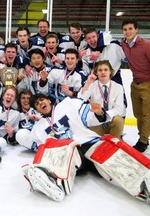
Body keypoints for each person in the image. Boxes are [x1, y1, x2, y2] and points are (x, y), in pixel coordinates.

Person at [22, 93, 150, 204]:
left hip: (88, 143)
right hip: (71, 156)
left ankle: (144, 184)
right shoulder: (39, 128)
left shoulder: (68, 104)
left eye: (41, 100)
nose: (40, 103)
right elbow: (39, 146)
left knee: (113, 163)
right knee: (66, 150)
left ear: (49, 100)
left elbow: (89, 118)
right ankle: (54, 182)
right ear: (37, 110)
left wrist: (99, 113)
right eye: (37, 104)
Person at [121, 19, 150, 152]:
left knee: (146, 115)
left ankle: (143, 141)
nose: (128, 32)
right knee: (138, 114)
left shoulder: (146, 45)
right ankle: (143, 137)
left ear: (136, 29)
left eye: (130, 29)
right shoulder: (124, 44)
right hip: (135, 83)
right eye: (125, 29)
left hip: (148, 84)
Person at [79, 60, 125, 139]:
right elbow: (81, 99)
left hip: (111, 120)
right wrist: (88, 83)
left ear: (110, 71)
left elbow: (119, 109)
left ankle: (113, 143)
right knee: (94, 146)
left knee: (119, 120)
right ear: (96, 73)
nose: (103, 72)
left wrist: (104, 115)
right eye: (100, 70)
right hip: (96, 122)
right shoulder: (91, 85)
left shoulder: (118, 87)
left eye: (106, 70)